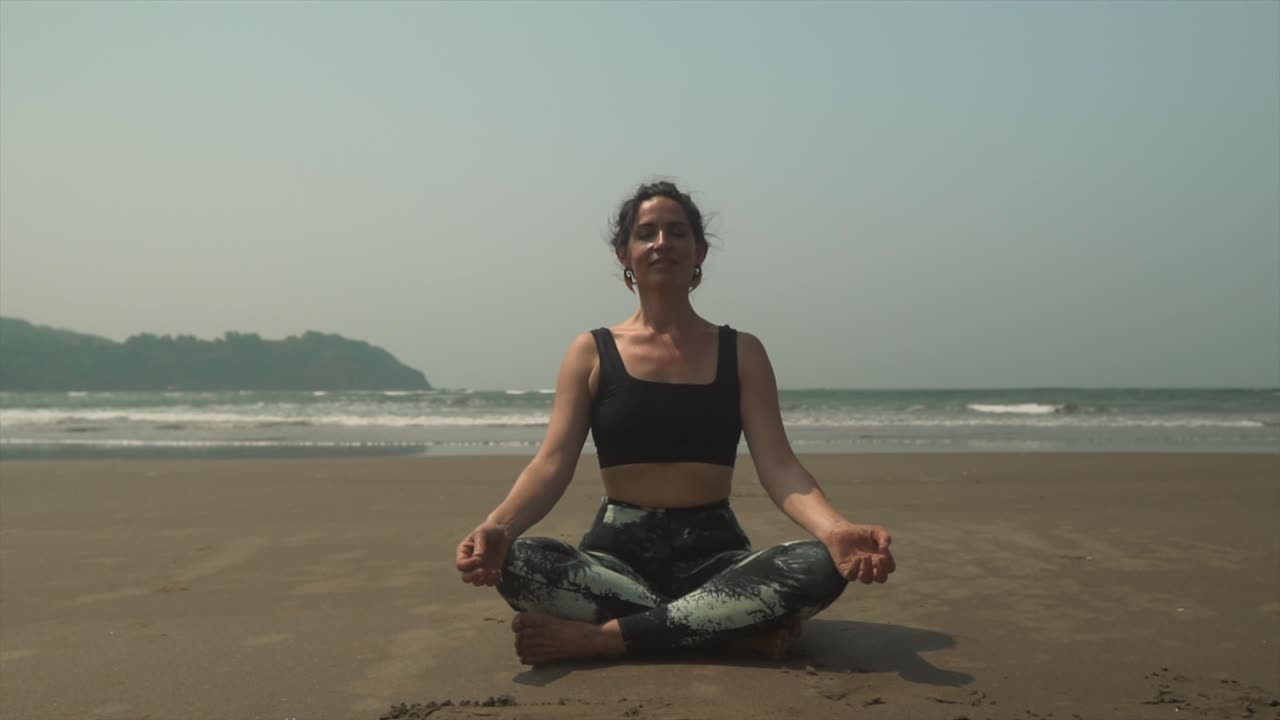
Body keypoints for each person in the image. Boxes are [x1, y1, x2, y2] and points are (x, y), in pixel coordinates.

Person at [455, 181, 896, 665]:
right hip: (614, 562)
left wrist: (835, 530)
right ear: (625, 251)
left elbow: (779, 466)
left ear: (699, 250)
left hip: (717, 560)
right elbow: (551, 464)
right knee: (517, 561)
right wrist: (497, 526)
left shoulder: (742, 351)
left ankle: (605, 637)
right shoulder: (591, 351)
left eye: (677, 232)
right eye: (646, 233)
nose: (662, 242)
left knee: (819, 565)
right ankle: (724, 631)